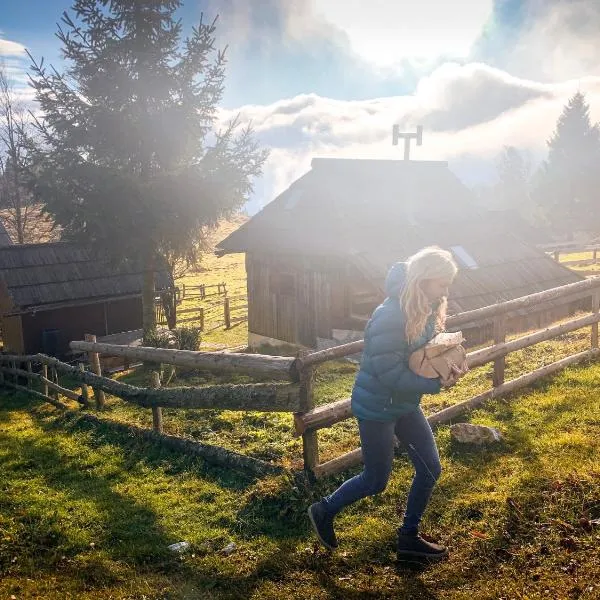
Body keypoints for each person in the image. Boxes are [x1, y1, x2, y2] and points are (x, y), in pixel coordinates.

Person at [308, 246, 467, 560]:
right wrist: (433, 384)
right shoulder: (391, 314)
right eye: (442, 284)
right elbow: (388, 372)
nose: (446, 291)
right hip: (378, 406)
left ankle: (408, 538)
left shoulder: (426, 308)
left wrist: (447, 363)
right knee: (375, 480)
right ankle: (324, 509)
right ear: (422, 280)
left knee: (430, 468)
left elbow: (420, 355)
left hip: (404, 402)